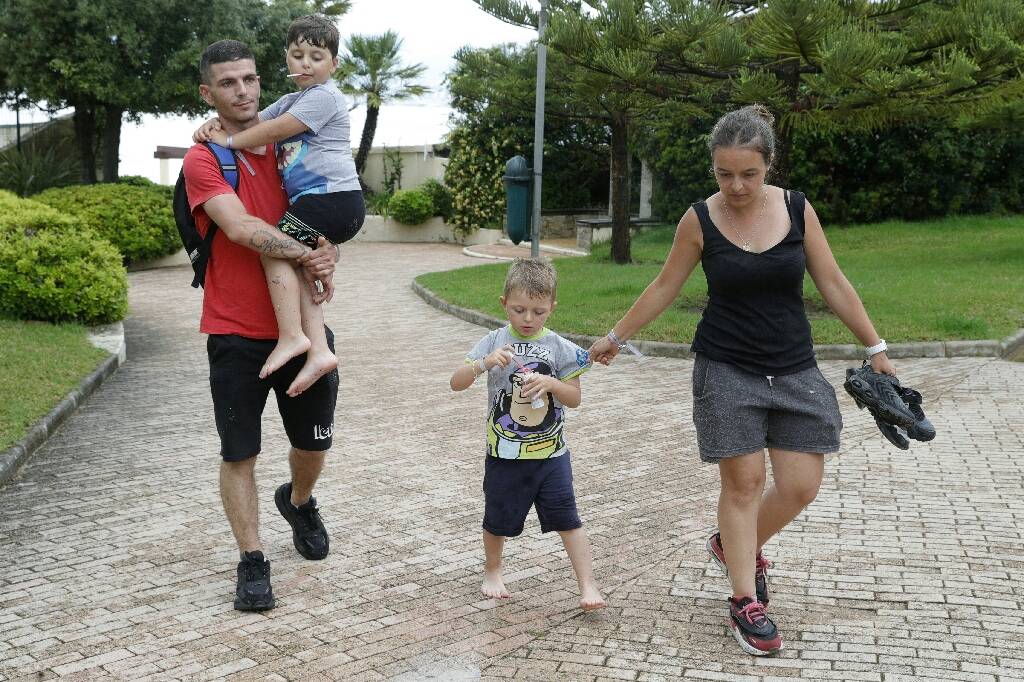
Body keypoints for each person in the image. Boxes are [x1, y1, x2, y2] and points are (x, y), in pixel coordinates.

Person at [588, 105, 897, 655]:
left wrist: (876, 347)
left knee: (800, 485)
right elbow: (664, 286)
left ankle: (732, 544)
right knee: (744, 484)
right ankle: (744, 599)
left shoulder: (798, 209)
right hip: (726, 366)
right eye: (724, 173)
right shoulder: (698, 220)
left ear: (768, 165)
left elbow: (832, 281)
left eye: (748, 174)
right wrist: (616, 335)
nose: (735, 186)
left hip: (795, 367)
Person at [184, 39, 342, 611]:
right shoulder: (205, 158)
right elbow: (241, 228)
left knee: (313, 444)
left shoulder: (288, 143)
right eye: (227, 83)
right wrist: (304, 254)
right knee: (239, 454)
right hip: (235, 334)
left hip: (301, 328)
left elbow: (319, 210)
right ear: (208, 93)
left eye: (249, 79)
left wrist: (325, 251)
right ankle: (252, 559)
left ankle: (298, 501)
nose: (242, 91)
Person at [194, 15, 364, 397]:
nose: (306, 64)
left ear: (334, 64)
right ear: (286, 57)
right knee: (288, 252)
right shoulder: (291, 100)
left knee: (272, 247)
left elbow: (271, 130)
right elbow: (250, 123)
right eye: (297, 55)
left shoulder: (324, 97)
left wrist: (228, 142)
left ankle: (292, 336)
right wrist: (213, 125)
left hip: (333, 199)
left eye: (317, 57)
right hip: (323, 203)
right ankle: (317, 349)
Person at [450, 258, 606, 611]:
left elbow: (574, 399)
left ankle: (588, 584)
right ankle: (493, 571)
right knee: (497, 518)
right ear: (504, 303)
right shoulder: (494, 340)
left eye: (539, 311)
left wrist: (552, 383)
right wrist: (483, 363)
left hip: (552, 455)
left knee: (568, 519)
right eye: (519, 310)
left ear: (552, 307)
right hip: (504, 454)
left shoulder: (559, 347)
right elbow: (456, 382)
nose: (528, 319)